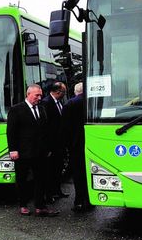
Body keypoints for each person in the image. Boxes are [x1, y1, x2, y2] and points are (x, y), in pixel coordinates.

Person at [7, 84, 59, 217]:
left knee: (41, 179)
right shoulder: (16, 109)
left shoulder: (41, 109)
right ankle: (23, 205)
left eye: (41, 95)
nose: (39, 98)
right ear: (28, 94)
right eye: (37, 95)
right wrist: (13, 150)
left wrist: (47, 149)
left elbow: (45, 130)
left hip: (40, 152)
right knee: (22, 179)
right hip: (22, 153)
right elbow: (11, 132)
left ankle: (40, 206)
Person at [61, 82, 91, 211]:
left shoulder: (70, 104)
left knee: (78, 174)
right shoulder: (91, 101)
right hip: (91, 141)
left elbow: (65, 128)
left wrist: (66, 145)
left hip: (75, 145)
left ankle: (79, 201)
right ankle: (90, 200)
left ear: (75, 91)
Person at [41, 81, 69, 201]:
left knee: (58, 168)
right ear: (58, 92)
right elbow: (45, 126)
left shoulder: (59, 102)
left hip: (60, 143)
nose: (64, 94)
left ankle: (57, 190)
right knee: (50, 171)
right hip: (52, 145)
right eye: (64, 92)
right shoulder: (46, 103)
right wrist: (47, 147)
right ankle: (49, 194)